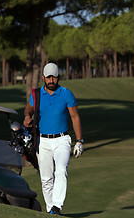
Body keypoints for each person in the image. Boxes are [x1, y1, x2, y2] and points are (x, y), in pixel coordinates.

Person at [23, 63, 83, 215]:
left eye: (54, 77)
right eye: (48, 77)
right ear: (43, 77)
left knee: (61, 170)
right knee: (46, 178)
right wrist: (27, 117)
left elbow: (75, 117)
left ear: (58, 77)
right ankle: (51, 210)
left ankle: (57, 205)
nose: (51, 80)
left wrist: (79, 141)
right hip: (42, 141)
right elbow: (27, 110)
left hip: (62, 139)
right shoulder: (36, 94)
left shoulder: (66, 94)